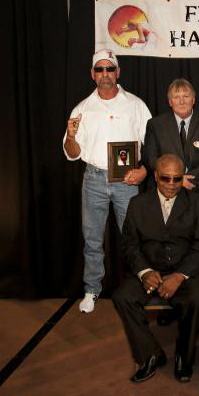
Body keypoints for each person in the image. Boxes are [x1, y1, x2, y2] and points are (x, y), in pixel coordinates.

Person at [112, 154, 199, 383]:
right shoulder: (137, 204)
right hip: (149, 269)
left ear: (183, 177)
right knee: (123, 297)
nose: (171, 184)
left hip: (185, 271)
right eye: (166, 178)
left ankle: (183, 357)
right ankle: (150, 354)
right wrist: (145, 272)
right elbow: (129, 245)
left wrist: (179, 276)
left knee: (198, 299)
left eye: (177, 179)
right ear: (156, 176)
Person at [63, 49, 151, 313]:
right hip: (94, 177)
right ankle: (91, 290)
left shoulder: (135, 104)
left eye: (109, 69)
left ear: (118, 72)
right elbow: (72, 153)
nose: (105, 74)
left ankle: (139, 287)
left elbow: (153, 143)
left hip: (127, 178)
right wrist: (70, 136)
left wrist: (144, 171)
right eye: (99, 69)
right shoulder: (82, 108)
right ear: (92, 74)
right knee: (92, 238)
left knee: (134, 236)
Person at [142, 78, 199, 195]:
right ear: (170, 102)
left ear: (193, 100)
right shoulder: (155, 125)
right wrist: (176, 180)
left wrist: (189, 180)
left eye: (186, 96)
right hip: (167, 188)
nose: (181, 101)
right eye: (176, 97)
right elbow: (151, 159)